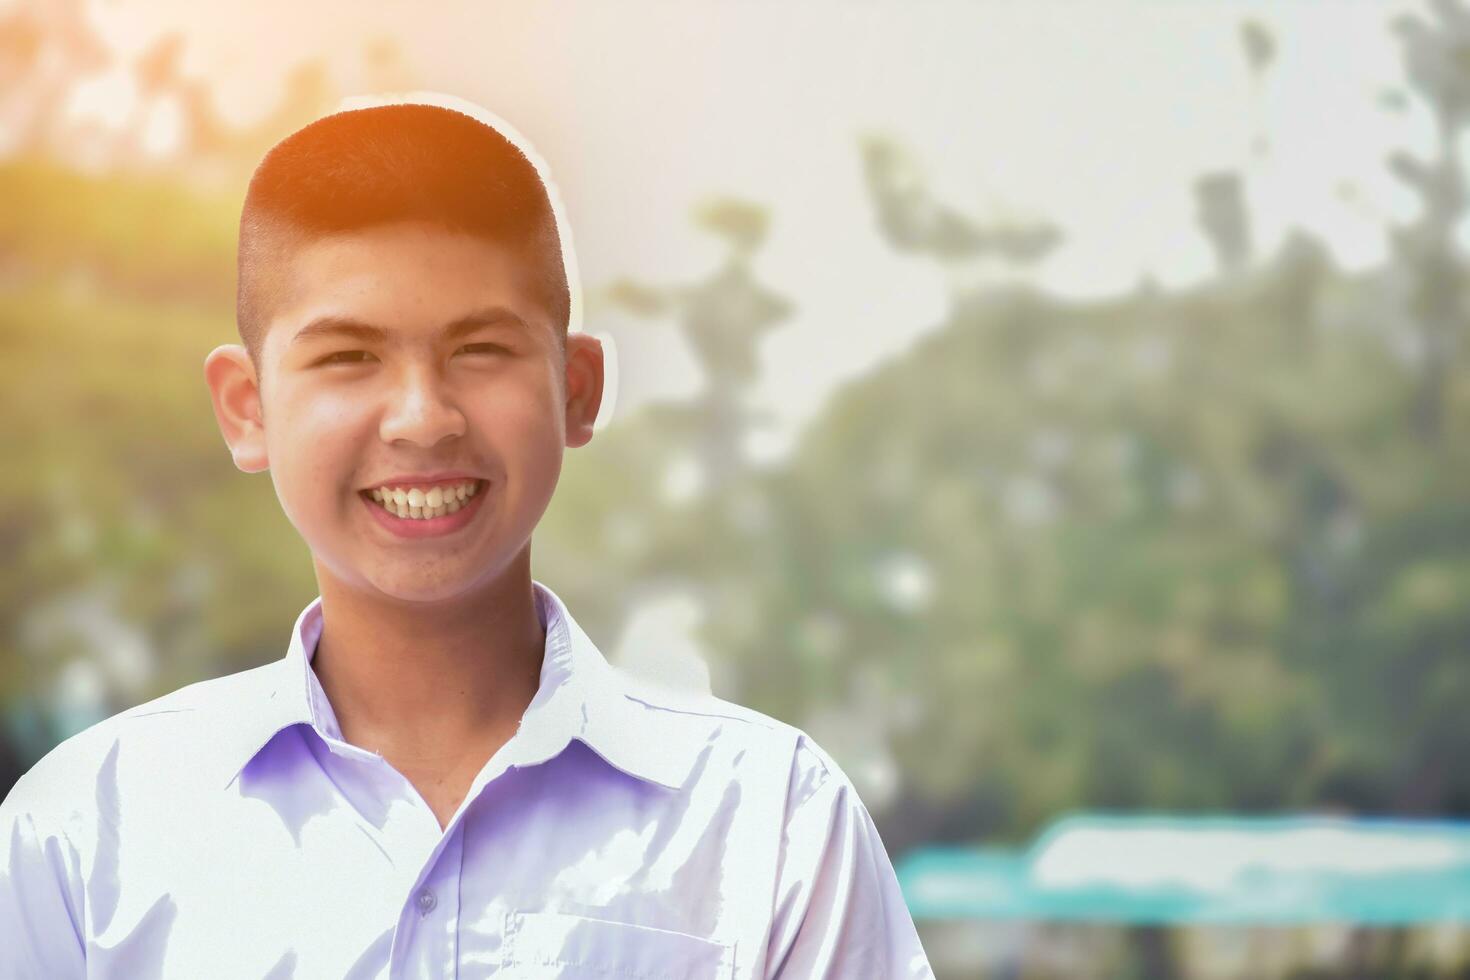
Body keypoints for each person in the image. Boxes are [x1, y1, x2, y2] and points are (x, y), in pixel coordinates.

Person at [0, 94, 934, 979]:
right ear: (248, 409)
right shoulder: (85, 832)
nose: (422, 418)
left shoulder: (770, 821)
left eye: (480, 350)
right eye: (348, 357)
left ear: (576, 389)